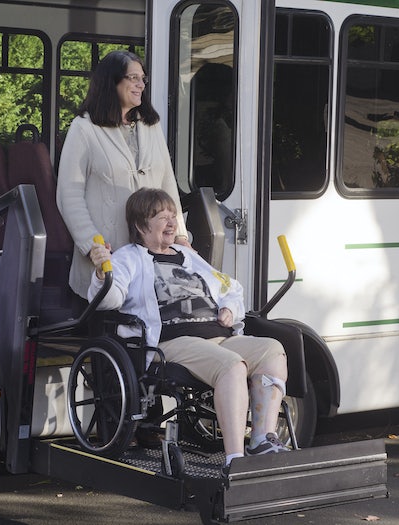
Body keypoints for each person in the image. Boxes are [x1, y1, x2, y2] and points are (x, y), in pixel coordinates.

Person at [88, 188, 289, 469]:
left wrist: (230, 308)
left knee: (272, 351)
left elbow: (229, 286)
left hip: (218, 336)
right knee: (233, 366)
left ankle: (261, 440)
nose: (172, 223)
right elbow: (109, 299)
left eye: (173, 216)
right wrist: (101, 272)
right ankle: (235, 459)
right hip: (172, 342)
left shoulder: (187, 255)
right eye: (162, 217)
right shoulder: (129, 257)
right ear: (140, 224)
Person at [57, 50, 190, 307]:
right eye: (133, 78)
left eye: (143, 78)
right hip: (108, 256)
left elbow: (167, 186)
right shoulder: (84, 128)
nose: (141, 84)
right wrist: (92, 246)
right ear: (112, 81)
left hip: (152, 256)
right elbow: (68, 195)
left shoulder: (151, 126)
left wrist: (181, 236)